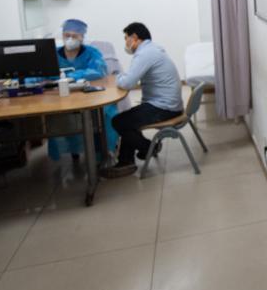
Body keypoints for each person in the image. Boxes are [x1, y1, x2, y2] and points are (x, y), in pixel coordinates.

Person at [102, 22, 184, 178]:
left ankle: (148, 148)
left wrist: (117, 77)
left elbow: (127, 82)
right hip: (168, 104)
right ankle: (126, 160)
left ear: (134, 37)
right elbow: (130, 77)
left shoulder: (145, 54)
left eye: (126, 38)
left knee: (119, 122)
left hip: (164, 108)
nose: (126, 43)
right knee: (127, 119)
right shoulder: (151, 49)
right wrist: (123, 77)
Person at [47, 18, 118, 165]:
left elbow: (98, 70)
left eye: (74, 36)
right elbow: (44, 73)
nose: (70, 39)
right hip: (63, 96)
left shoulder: (91, 53)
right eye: (67, 35)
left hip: (91, 95)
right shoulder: (53, 54)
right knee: (57, 116)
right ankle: (74, 149)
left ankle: (103, 151)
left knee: (106, 113)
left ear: (82, 37)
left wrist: (72, 76)